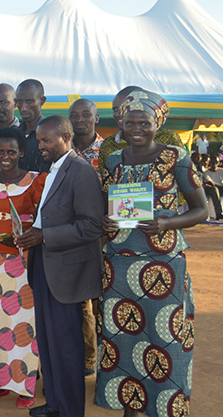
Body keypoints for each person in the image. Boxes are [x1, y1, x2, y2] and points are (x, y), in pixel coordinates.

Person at [95, 90, 207, 417]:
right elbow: (110, 206)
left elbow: (201, 209)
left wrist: (168, 222)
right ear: (122, 123)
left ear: (157, 123)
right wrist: (105, 218)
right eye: (130, 122)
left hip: (163, 264)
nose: (137, 128)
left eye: (144, 122)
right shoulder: (115, 159)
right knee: (122, 337)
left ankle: (165, 406)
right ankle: (131, 406)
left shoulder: (176, 157)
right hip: (119, 263)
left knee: (165, 336)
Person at [13, 115, 105, 417]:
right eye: (39, 141)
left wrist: (44, 235)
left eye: (46, 140)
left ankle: (69, 410)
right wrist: (31, 232)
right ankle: (55, 403)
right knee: (50, 341)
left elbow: (92, 226)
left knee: (66, 345)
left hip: (66, 271)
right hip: (44, 262)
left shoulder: (81, 172)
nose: (40, 146)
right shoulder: (53, 170)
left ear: (66, 137)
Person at [0, 127, 45, 409]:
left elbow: (41, 222)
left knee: (23, 324)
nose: (5, 157)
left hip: (24, 261)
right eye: (0, 151)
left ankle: (25, 387)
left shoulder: (36, 182)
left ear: (22, 153)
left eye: (11, 152)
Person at [68, 97, 105, 377]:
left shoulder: (110, 152)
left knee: (103, 299)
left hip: (102, 237)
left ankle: (108, 361)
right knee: (79, 300)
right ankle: (88, 359)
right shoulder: (63, 152)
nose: (80, 119)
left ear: (97, 119)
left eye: (86, 114)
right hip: (70, 236)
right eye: (74, 115)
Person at [98, 86, 186, 175]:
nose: (119, 114)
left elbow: (186, 180)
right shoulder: (108, 146)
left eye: (126, 107)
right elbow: (106, 185)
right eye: (116, 109)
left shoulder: (168, 139)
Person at [15, 79, 50, 173]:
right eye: (19, 102)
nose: (23, 108)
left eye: (29, 101)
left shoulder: (52, 133)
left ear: (42, 101)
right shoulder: (14, 134)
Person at [205, 154, 223, 220]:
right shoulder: (206, 173)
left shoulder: (221, 171)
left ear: (218, 163)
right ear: (209, 163)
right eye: (212, 162)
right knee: (214, 189)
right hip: (213, 190)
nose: (214, 164)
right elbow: (211, 184)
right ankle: (218, 213)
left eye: (216, 162)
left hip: (221, 189)